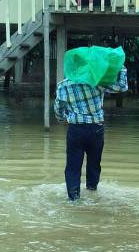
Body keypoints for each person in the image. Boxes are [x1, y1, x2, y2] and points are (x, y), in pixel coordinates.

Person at [54, 67, 128, 200]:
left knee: (73, 166)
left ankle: (74, 199)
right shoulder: (97, 81)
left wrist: (63, 118)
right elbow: (121, 87)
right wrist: (121, 67)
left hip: (75, 129)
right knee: (94, 163)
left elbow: (58, 109)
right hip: (96, 129)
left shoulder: (63, 85)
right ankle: (92, 191)